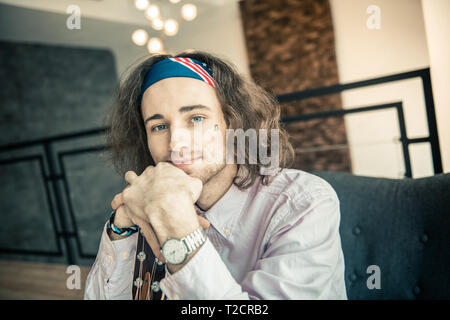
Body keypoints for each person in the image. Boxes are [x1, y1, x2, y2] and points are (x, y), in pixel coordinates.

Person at [84, 50, 347, 300]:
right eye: (159, 126)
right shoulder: (149, 199)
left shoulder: (304, 202)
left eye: (196, 118)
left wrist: (178, 227)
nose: (176, 143)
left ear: (232, 122)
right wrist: (122, 226)